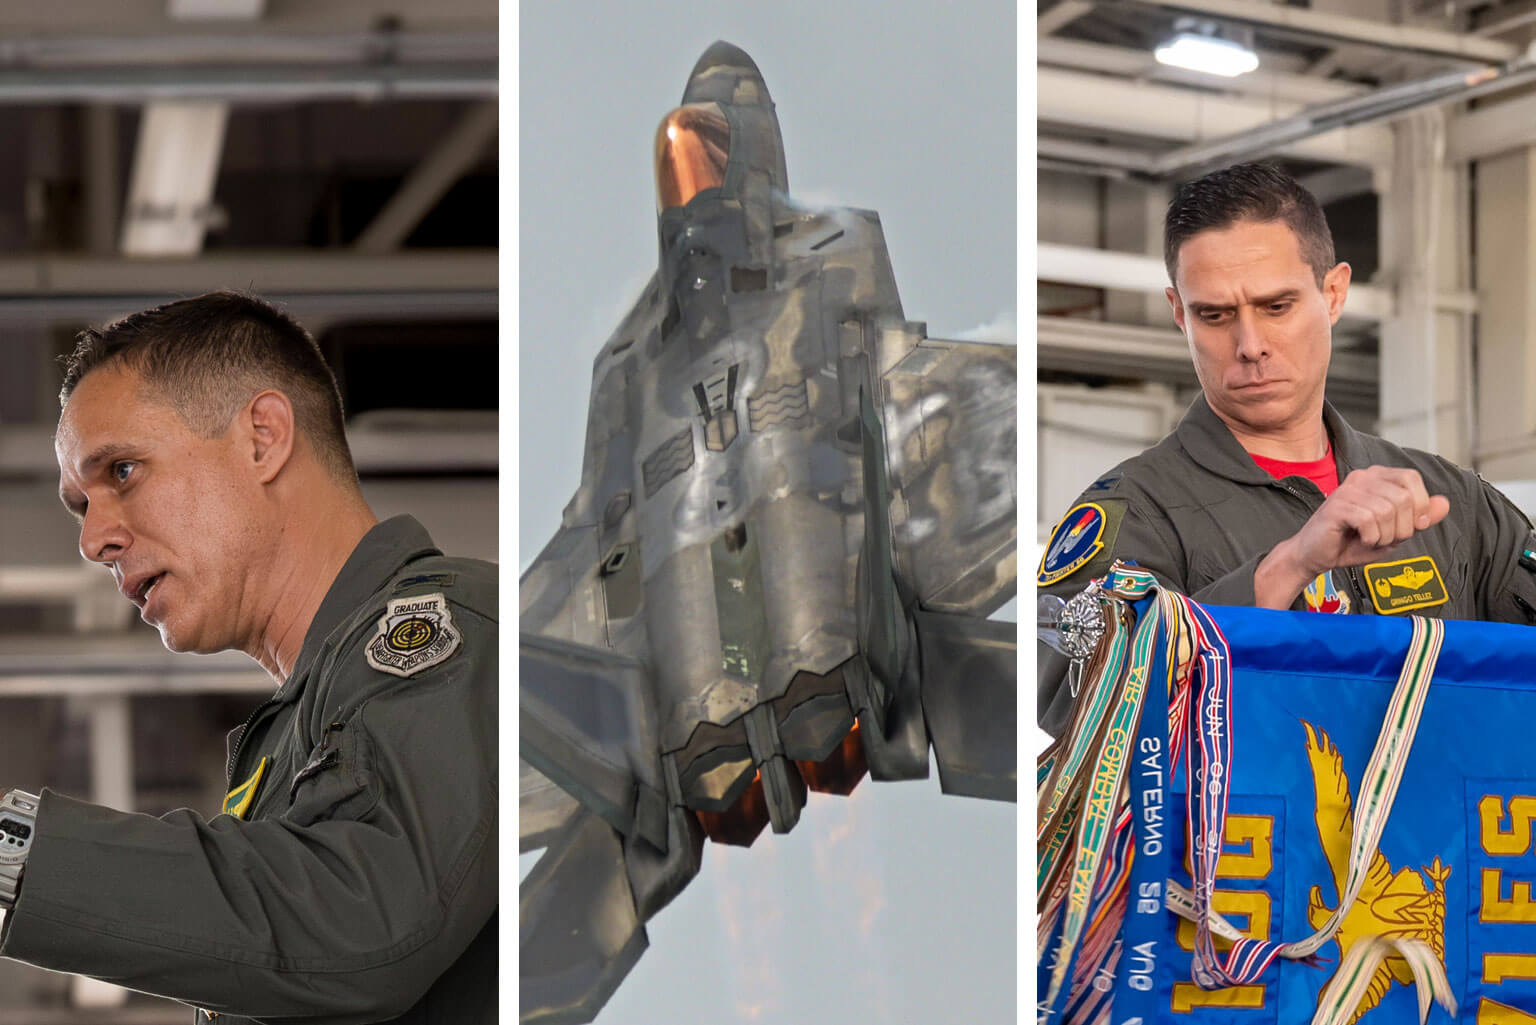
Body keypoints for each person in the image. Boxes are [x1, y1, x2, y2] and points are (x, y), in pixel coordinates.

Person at [4, 292, 496, 1022]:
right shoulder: (291, 745)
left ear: (263, 438)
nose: (93, 539)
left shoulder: (447, 628)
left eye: (124, 472)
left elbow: (363, 919)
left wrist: (14, 853)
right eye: (82, 505)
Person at [1037, 162, 1536, 736]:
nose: (1250, 346)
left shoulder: (1455, 504)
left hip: (1441, 828)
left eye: (1276, 307)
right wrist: (1290, 565)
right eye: (1215, 315)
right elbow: (1071, 705)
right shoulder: (1130, 516)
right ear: (1179, 314)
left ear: (1333, 293)